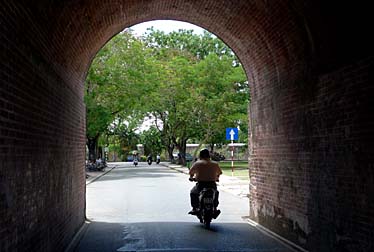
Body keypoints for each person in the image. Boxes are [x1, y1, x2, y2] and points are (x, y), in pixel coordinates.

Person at [188, 148, 222, 215]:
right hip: (212, 184)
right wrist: (217, 178)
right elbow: (219, 173)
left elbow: (191, 172)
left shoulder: (197, 163)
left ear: (200, 155)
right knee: (216, 193)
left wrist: (191, 177)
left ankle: (194, 208)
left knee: (193, 193)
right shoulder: (215, 164)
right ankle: (215, 208)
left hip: (201, 184)